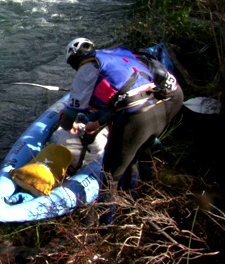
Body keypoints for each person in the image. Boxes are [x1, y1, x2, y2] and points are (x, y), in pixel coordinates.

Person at [58, 38, 184, 219]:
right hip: (158, 108)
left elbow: (71, 114)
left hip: (136, 118)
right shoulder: (116, 55)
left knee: (110, 177)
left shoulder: (86, 67)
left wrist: (67, 124)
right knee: (138, 157)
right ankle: (144, 201)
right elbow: (125, 94)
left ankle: (106, 225)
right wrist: (99, 122)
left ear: (74, 61)